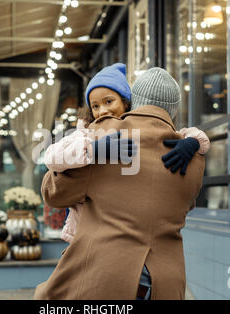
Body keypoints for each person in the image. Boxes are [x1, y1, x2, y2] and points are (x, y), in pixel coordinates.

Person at [34, 67, 206, 299]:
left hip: (106, 277)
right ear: (173, 109)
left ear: (133, 101)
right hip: (166, 283)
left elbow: (54, 194)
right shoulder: (193, 154)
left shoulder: (105, 136)